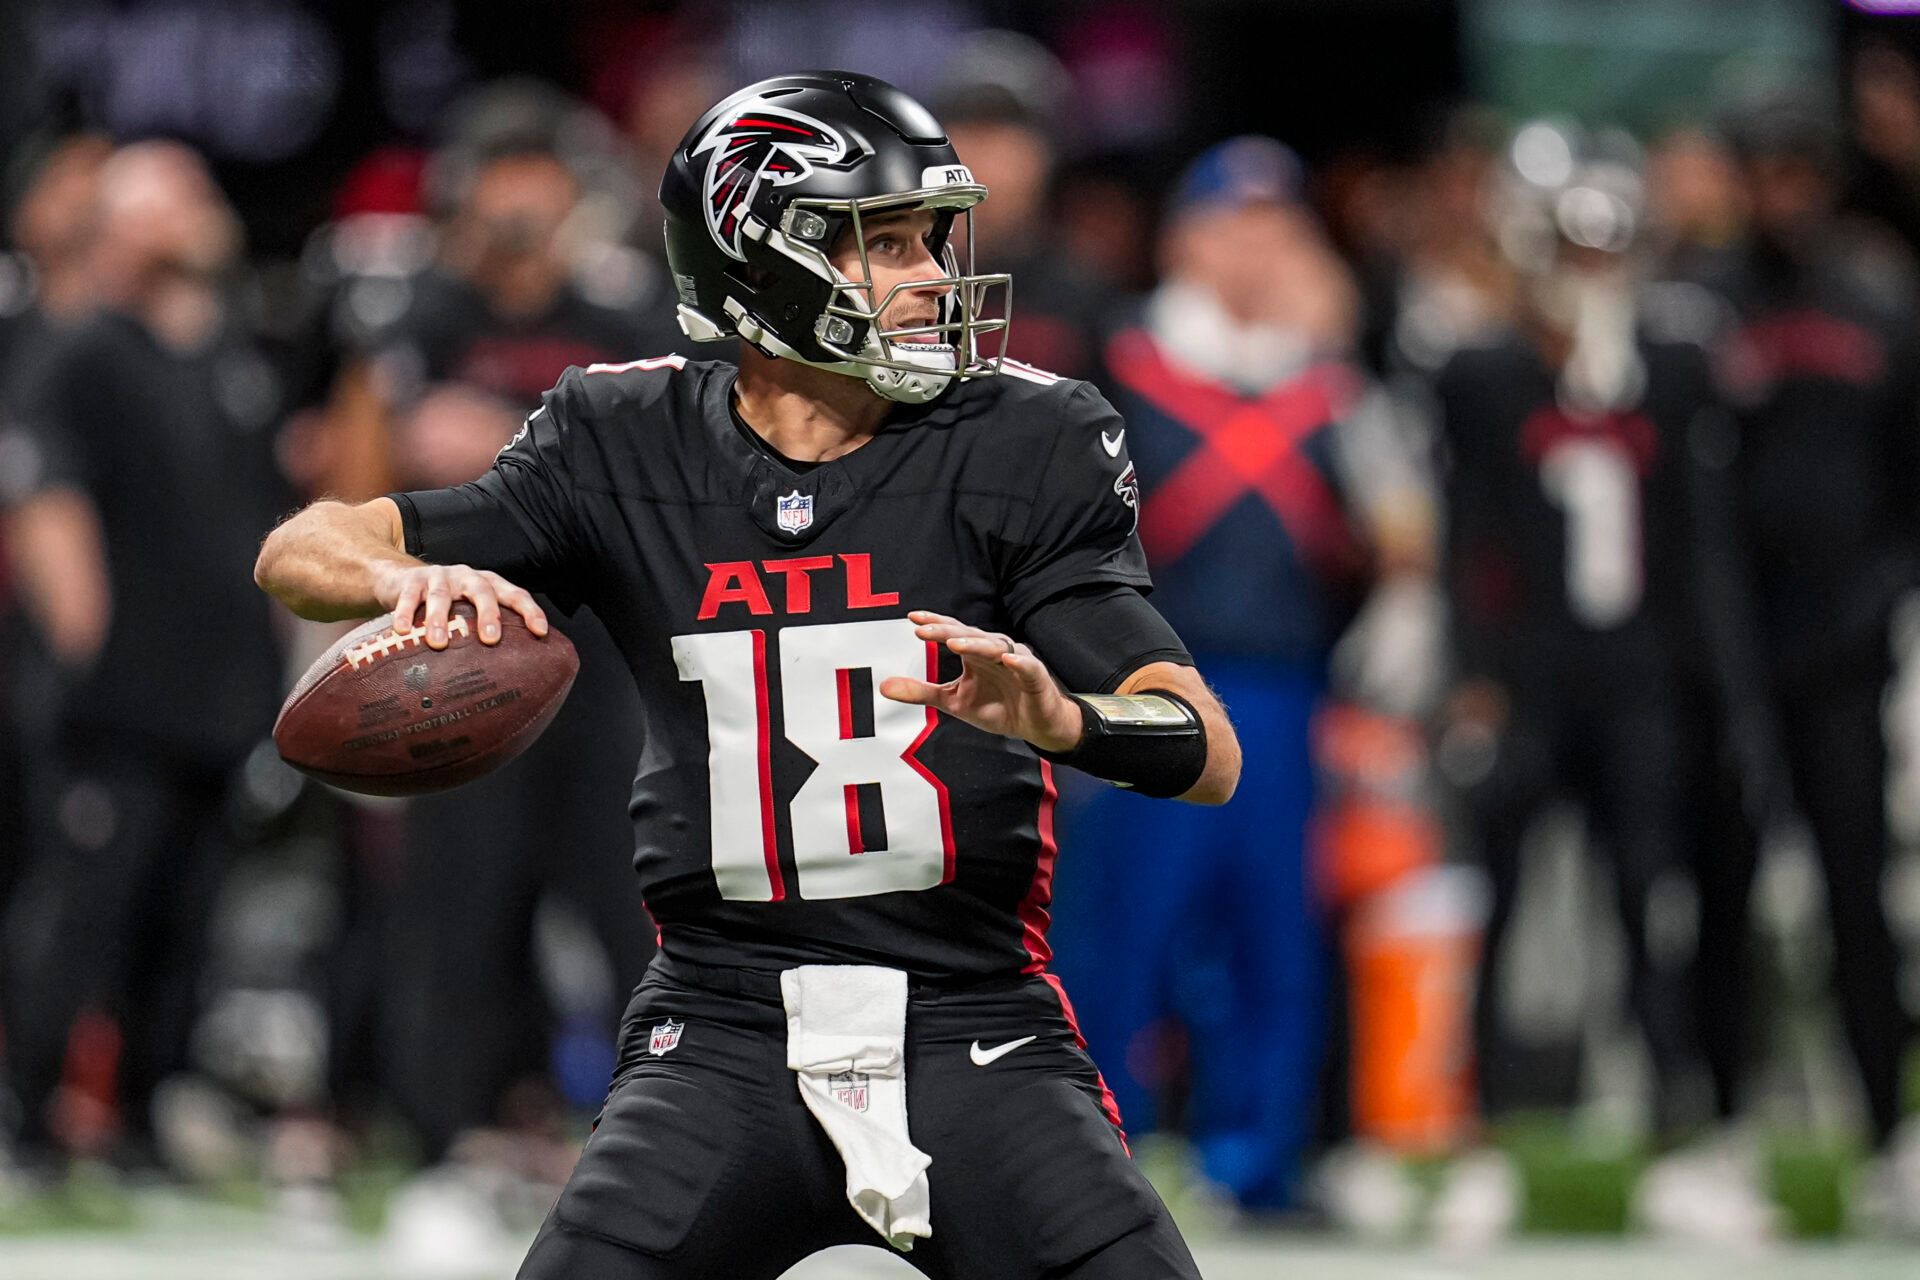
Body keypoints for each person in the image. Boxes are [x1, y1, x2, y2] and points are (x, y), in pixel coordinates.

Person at [255, 71, 1239, 1279]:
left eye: (934, 237)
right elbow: (303, 548)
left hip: (972, 1024)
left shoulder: (1022, 439)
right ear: (759, 261)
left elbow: (1202, 749)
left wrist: (1066, 716)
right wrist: (402, 583)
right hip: (718, 1032)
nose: (934, 275)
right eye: (885, 243)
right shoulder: (620, 439)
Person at [1429, 129, 1778, 1246]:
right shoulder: (1482, 369)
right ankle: (1477, 1138)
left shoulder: (1670, 367)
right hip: (1529, 675)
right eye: (1572, 246)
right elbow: (1463, 533)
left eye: (1607, 246)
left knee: (1649, 904)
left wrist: (1724, 693)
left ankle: (1682, 1132)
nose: (1589, 269)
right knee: (1505, 895)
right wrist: (1472, 673)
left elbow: (1700, 542)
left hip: (1639, 679)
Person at [1047, 136, 1379, 1212]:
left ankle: (1262, 1152)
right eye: (1234, 225)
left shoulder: (1330, 381)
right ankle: (1101, 1149)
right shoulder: (1124, 357)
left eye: (1278, 228)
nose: (1255, 249)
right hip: (1148, 682)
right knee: (1126, 920)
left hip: (1285, 688)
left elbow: (1391, 535)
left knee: (1275, 928)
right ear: (1186, 238)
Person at [1, 141, 289, 1171]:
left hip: (220, 694)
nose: (207, 210)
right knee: (86, 911)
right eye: (180, 196)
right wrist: (79, 652)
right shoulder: (86, 350)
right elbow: (48, 498)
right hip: (117, 696)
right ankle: (30, 1116)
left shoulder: (232, 353)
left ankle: (141, 1111)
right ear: (124, 225)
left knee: (186, 921)